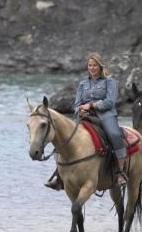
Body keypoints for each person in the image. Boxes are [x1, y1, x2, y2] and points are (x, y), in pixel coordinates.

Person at [46, 53, 127, 189]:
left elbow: (110, 101)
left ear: (100, 66)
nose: (92, 68)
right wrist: (80, 110)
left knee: (114, 134)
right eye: (90, 65)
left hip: (105, 115)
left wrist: (91, 105)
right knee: (64, 137)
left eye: (95, 65)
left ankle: (120, 172)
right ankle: (59, 175)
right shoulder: (83, 84)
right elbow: (77, 104)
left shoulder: (110, 82)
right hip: (85, 116)